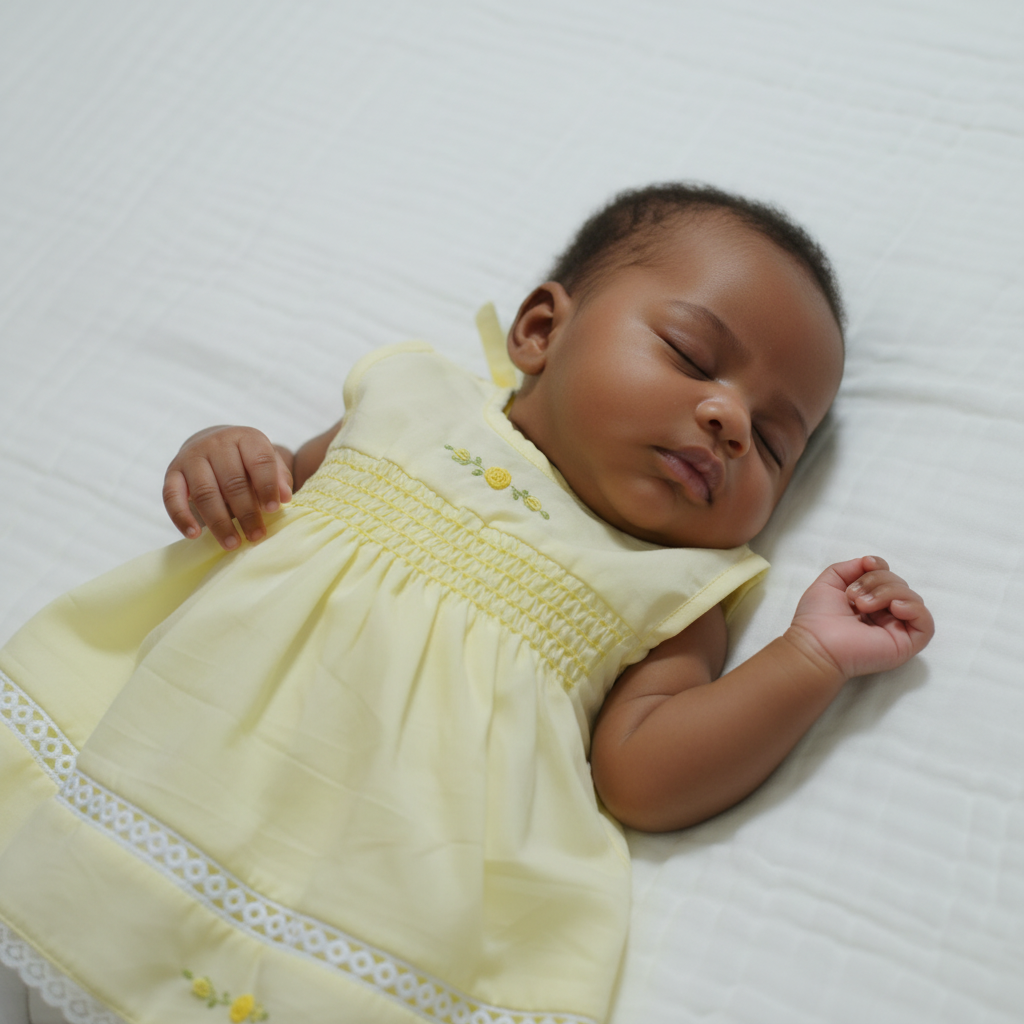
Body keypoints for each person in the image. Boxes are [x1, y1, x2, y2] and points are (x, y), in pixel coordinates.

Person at [0, 184, 933, 1024]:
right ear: (540, 331)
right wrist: (222, 453)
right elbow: (269, 497)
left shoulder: (679, 588)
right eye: (692, 354)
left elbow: (642, 778)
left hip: (377, 888)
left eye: (774, 443)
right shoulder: (414, 398)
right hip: (162, 760)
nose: (730, 422)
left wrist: (809, 658)